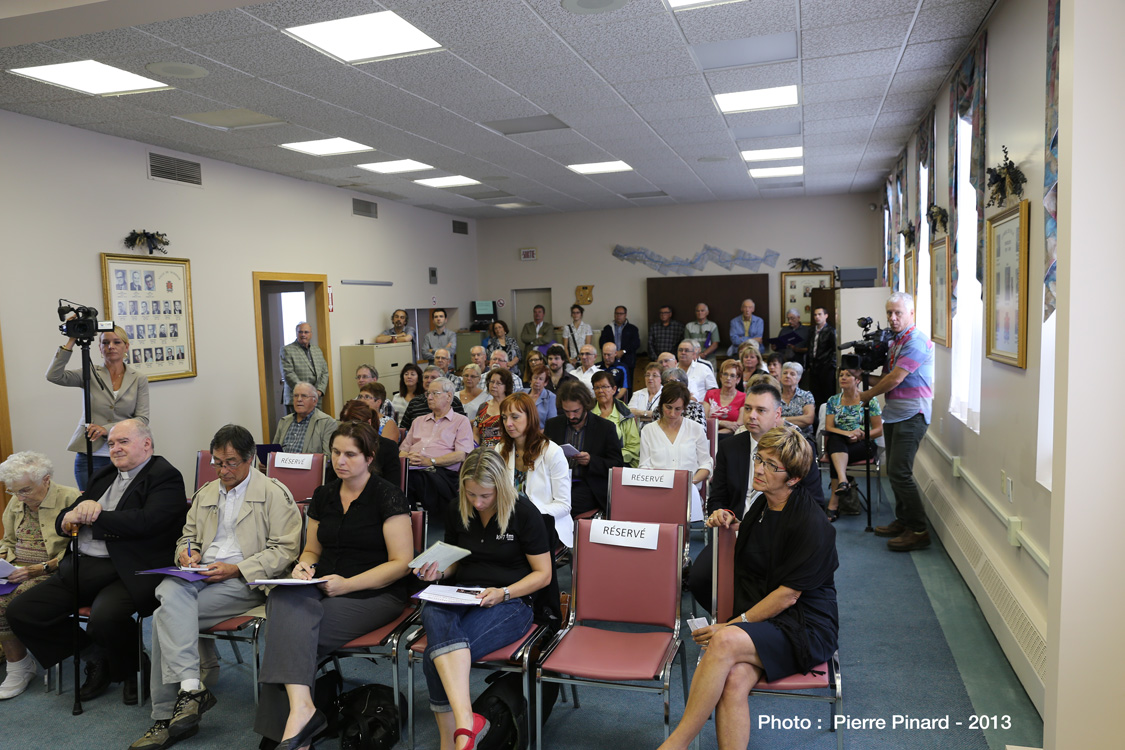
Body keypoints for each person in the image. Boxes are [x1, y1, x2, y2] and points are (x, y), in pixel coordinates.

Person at [660, 426, 838, 750]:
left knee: (725, 640)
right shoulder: (763, 505)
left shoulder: (812, 523)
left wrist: (731, 625)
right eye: (760, 459)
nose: (759, 469)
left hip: (804, 624)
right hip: (769, 618)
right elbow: (766, 544)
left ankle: (676, 744)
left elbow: (789, 595)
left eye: (772, 466)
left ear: (794, 478)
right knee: (733, 681)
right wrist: (730, 520)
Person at [133, 425, 301, 750]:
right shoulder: (207, 492)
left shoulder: (273, 493)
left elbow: (285, 551)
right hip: (201, 575)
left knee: (164, 617)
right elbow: (187, 535)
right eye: (218, 462)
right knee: (169, 594)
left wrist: (237, 567)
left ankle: (165, 718)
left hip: (246, 580)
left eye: (231, 462)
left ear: (251, 459)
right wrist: (187, 552)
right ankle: (191, 688)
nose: (223, 470)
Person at [254, 422, 413, 748]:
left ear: (369, 457)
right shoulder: (325, 495)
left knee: (287, 636)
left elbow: (400, 563)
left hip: (375, 592)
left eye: (350, 454)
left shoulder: (387, 495)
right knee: (284, 595)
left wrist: (348, 585)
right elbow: (313, 549)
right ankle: (302, 713)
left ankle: (286, 734)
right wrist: (304, 566)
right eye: (336, 452)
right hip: (324, 583)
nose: (340, 460)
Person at [7, 419, 186, 705]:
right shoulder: (103, 475)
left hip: (130, 569)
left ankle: (133, 666)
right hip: (83, 565)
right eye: (112, 443)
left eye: (123, 442)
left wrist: (94, 516)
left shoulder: (165, 476)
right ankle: (96, 655)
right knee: (23, 611)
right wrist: (67, 518)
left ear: (146, 444)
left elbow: (148, 522)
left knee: (104, 619)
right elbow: (70, 513)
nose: (114, 449)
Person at [413, 449, 552, 750]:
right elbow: (454, 562)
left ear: (500, 488)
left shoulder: (524, 513)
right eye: (471, 494)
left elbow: (543, 575)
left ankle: (449, 742)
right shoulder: (457, 508)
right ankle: (466, 723)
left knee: (434, 657)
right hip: (463, 593)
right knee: (432, 607)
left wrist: (503, 592)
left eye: (485, 496)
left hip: (511, 601)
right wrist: (436, 572)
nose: (477, 502)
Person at [689, 381, 828, 610]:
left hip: (779, 535)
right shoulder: (730, 447)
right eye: (748, 408)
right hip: (734, 531)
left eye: (761, 410)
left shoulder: (796, 450)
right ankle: (734, 620)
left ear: (777, 414)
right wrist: (723, 513)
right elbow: (718, 497)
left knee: (766, 583)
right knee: (699, 579)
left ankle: (751, 626)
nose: (752, 416)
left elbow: (814, 503)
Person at [0, 452, 80, 700]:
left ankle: (19, 667)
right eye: (13, 492)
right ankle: (17, 658)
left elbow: (78, 554)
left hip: (54, 573)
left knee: (4, 603)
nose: (19, 498)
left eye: (24, 490)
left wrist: (38, 569)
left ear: (46, 480)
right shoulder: (18, 501)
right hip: (15, 570)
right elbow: (8, 540)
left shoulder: (71, 499)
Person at [860, 292, 934, 552]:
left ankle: (918, 530)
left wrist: (865, 395)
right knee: (894, 470)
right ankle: (904, 521)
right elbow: (884, 379)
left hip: (913, 414)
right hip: (894, 412)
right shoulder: (895, 343)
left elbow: (895, 379)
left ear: (911, 313)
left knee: (901, 472)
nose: (892, 318)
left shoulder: (916, 341)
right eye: (889, 313)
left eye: (898, 313)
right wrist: (859, 375)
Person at [47, 325, 150, 490]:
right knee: (90, 507)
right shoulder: (90, 373)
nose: (111, 346)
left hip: (125, 454)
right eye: (105, 343)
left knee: (122, 506)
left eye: (117, 342)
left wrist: (107, 429)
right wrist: (72, 339)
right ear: (100, 348)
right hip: (91, 455)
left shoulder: (139, 379)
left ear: (126, 346)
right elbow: (54, 375)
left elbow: (142, 419)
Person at [496, 393, 573, 547]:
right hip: (509, 521)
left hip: (544, 522)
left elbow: (564, 505)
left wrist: (526, 515)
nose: (508, 423)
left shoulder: (552, 452)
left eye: (515, 417)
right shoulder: (501, 448)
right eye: (504, 418)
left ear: (530, 417)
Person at [544, 381, 623, 517]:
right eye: (566, 411)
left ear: (586, 406)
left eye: (575, 411)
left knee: (564, 507)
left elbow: (617, 464)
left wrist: (591, 461)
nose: (571, 416)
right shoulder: (554, 425)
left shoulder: (605, 428)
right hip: (555, 482)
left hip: (588, 484)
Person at [399, 377, 474, 517]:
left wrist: (430, 461)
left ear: (449, 396)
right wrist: (408, 457)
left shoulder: (460, 421)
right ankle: (406, 517)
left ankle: (410, 518)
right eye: (428, 394)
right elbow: (402, 450)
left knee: (413, 479)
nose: (429, 397)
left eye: (435, 393)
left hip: (440, 471)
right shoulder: (418, 421)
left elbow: (461, 455)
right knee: (397, 475)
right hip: (412, 467)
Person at [639, 381, 712, 521]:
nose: (672, 413)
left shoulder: (695, 429)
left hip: (689, 491)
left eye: (678, 409)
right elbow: (644, 466)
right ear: (661, 405)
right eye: (668, 407)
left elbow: (706, 464)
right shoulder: (648, 431)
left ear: (684, 407)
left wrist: (691, 482)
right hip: (658, 491)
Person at [824, 368, 883, 521]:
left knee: (835, 454)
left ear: (858, 380)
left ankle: (834, 502)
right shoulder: (833, 401)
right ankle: (843, 481)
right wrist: (847, 434)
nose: (843, 378)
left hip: (864, 444)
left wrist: (861, 435)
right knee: (835, 441)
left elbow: (878, 430)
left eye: (848, 375)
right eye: (841, 375)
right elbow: (829, 427)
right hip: (841, 441)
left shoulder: (869, 400)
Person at [339, 400, 402, 488]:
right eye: (344, 426)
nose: (349, 432)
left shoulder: (387, 447)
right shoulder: (340, 446)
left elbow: (393, 487)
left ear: (369, 423)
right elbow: (332, 484)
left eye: (353, 427)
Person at [591, 371, 640, 468]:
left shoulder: (624, 413)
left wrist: (612, 459)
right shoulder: (588, 412)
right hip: (594, 463)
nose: (600, 390)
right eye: (597, 387)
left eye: (605, 387)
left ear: (614, 389)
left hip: (621, 463)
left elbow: (633, 447)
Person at [273, 382, 337, 456]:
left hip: (309, 467)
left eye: (304, 396)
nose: (299, 399)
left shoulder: (327, 422)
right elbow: (274, 452)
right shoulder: (284, 421)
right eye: (296, 396)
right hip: (281, 467)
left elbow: (328, 457)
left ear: (315, 401)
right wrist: (267, 461)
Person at [399, 366, 468, 434]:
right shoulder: (414, 402)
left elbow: (463, 428)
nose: (429, 380)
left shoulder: (452, 401)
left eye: (433, 378)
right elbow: (403, 430)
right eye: (426, 377)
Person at [280, 322, 329, 414]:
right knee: (297, 426)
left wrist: (319, 390)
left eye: (306, 332)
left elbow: (324, 372)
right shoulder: (287, 350)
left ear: (311, 334)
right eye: (300, 332)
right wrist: (306, 393)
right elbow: (288, 374)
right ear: (296, 333)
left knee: (315, 426)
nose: (303, 335)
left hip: (316, 398)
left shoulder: (317, 350)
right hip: (296, 399)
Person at [802, 305, 838, 431]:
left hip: (826, 368)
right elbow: (809, 349)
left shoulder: (830, 331)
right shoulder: (812, 330)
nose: (817, 317)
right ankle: (816, 422)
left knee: (827, 395)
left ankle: (827, 421)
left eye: (819, 314)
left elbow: (834, 350)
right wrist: (808, 365)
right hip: (814, 367)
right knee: (815, 395)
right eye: (815, 315)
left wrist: (830, 365)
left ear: (826, 316)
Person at [473, 368, 513, 449]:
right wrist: (475, 447)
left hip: (505, 450)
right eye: (492, 382)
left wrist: (495, 449)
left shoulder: (511, 406)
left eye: (498, 383)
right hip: (483, 452)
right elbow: (475, 433)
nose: (494, 385)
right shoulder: (483, 407)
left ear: (506, 386)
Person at [705, 359, 747, 435]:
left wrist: (717, 434)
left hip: (731, 436)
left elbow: (739, 425)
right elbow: (704, 420)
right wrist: (723, 423)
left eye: (732, 375)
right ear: (721, 377)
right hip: (709, 435)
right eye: (725, 374)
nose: (728, 378)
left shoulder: (743, 397)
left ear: (738, 379)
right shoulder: (710, 394)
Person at [779, 362, 816, 441]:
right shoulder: (775, 396)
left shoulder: (806, 396)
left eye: (792, 374)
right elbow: (771, 420)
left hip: (803, 437)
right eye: (785, 373)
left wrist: (782, 420)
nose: (787, 376)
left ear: (798, 379)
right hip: (779, 436)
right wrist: (799, 419)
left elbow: (808, 419)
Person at [599, 305, 640, 374]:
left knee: (627, 383)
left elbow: (636, 343)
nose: (618, 316)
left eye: (621, 314)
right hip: (610, 361)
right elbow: (602, 343)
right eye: (616, 313)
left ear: (625, 315)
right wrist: (612, 353)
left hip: (628, 361)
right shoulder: (607, 328)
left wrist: (623, 351)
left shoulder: (632, 328)